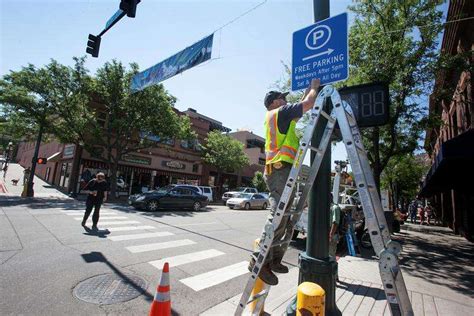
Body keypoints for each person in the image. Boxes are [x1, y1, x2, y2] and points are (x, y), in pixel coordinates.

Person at [248, 78, 321, 286]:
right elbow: (307, 104)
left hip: (283, 168)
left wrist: (310, 88)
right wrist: (315, 87)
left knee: (287, 217)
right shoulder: (279, 113)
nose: (284, 101)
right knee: (278, 215)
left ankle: (273, 259)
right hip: (280, 169)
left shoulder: (280, 116)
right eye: (281, 99)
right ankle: (259, 260)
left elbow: (303, 104)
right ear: (273, 102)